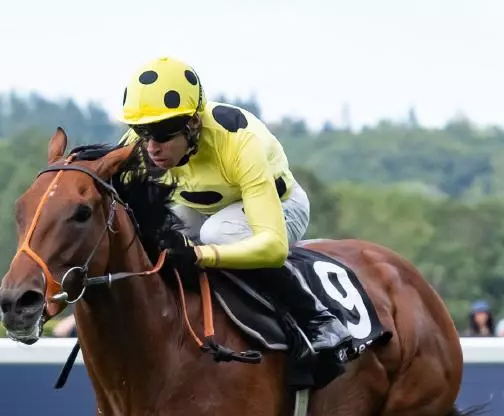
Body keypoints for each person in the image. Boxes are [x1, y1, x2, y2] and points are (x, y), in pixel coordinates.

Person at [116, 56, 352, 365]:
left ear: (193, 124)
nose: (151, 148)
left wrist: (202, 254)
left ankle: (317, 318)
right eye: (143, 133)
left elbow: (273, 248)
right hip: (202, 208)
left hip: (281, 206)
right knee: (157, 234)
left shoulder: (239, 143)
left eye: (161, 135)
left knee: (217, 233)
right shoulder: (144, 142)